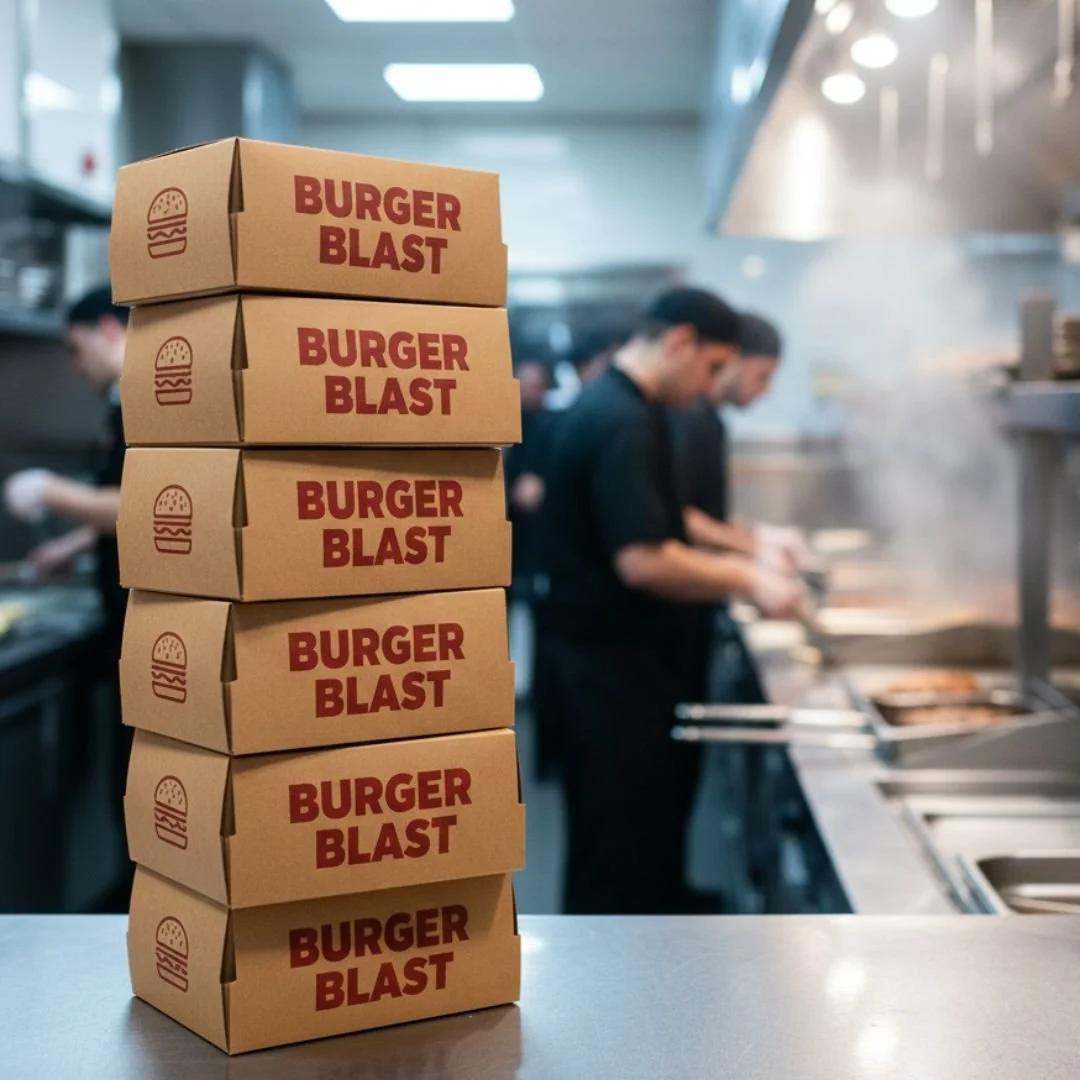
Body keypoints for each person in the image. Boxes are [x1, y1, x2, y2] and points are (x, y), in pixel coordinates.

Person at [541, 288, 806, 915]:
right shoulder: (620, 418)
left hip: (617, 669)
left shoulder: (630, 407)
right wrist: (750, 579)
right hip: (606, 675)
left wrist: (746, 550)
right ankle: (616, 1001)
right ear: (680, 342)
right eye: (714, 367)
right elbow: (644, 559)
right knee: (617, 848)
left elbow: (664, 522)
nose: (712, 385)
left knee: (638, 837)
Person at [2, 284, 130, 911]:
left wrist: (49, 490)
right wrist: (71, 548)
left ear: (108, 329)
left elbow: (142, 504)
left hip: (146, 639)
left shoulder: (152, 399)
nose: (74, 368)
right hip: (122, 632)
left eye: (76, 350)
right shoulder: (118, 407)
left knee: (136, 809)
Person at [674, 312, 807, 703]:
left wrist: (753, 539)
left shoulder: (708, 421)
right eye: (762, 375)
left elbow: (703, 513)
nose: (765, 391)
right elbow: (676, 516)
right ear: (731, 360)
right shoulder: (690, 417)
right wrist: (752, 561)